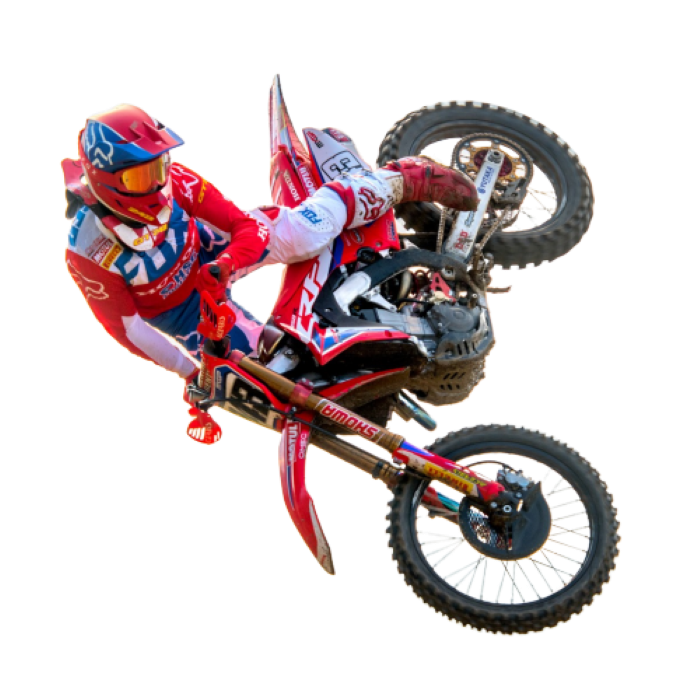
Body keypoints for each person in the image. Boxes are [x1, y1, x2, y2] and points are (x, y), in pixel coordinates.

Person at [62, 103, 478, 407]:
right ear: (105, 178)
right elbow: (129, 330)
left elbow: (240, 224)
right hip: (188, 315)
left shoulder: (178, 179)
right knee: (268, 380)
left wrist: (227, 263)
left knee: (302, 235)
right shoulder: (87, 252)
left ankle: (398, 180)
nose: (158, 182)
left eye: (160, 165)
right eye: (141, 175)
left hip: (213, 251)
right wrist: (191, 372)